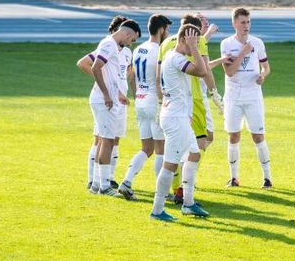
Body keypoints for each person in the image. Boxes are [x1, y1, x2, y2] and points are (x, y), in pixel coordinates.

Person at [159, 13, 223, 203]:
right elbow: (203, 70)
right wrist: (214, 94)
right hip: (185, 108)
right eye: (203, 21)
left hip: (174, 109)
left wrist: (160, 99)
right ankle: (180, 195)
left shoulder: (166, 47)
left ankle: (183, 200)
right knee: (190, 152)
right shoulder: (183, 52)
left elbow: (158, 74)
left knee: (185, 154)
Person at [151, 23, 211, 221]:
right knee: (170, 164)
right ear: (184, 39)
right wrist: (194, 48)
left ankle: (188, 203)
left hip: (178, 116)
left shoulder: (173, 57)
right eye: (194, 40)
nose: (196, 45)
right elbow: (202, 72)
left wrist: (187, 112)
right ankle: (158, 210)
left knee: (194, 154)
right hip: (175, 118)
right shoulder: (176, 58)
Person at [78, 18, 141, 195]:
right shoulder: (108, 44)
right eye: (132, 39)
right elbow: (96, 67)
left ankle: (98, 184)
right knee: (105, 140)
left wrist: (119, 93)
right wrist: (106, 93)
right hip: (104, 100)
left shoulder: (119, 49)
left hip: (114, 99)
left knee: (109, 140)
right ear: (127, 33)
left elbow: (114, 74)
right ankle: (104, 186)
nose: (131, 43)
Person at [117, 13, 172, 201]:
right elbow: (160, 79)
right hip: (153, 101)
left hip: (140, 100)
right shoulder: (161, 50)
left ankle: (126, 181)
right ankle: (162, 193)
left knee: (146, 148)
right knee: (160, 149)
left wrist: (136, 94)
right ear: (162, 29)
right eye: (168, 29)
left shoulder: (139, 48)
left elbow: (129, 75)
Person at [220, 7, 273, 188]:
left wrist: (262, 76)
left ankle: (267, 178)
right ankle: (234, 177)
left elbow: (266, 67)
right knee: (233, 136)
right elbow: (229, 72)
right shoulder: (226, 44)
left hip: (253, 96)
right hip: (233, 96)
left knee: (258, 136)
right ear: (234, 23)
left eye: (248, 22)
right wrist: (243, 52)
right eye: (243, 22)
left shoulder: (257, 43)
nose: (246, 26)